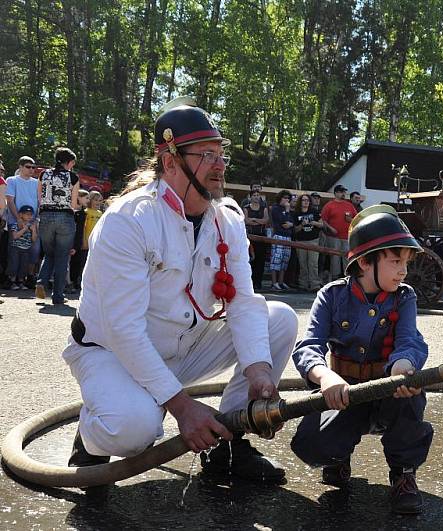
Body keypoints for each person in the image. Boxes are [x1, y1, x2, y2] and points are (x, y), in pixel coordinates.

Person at [61, 97, 298, 485]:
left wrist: (258, 371)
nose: (221, 165)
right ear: (170, 161)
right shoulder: (129, 220)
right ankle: (92, 437)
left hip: (184, 347)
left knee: (279, 320)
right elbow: (123, 330)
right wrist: (182, 408)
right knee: (133, 429)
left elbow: (241, 301)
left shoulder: (228, 219)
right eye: (208, 154)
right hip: (112, 353)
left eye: (222, 154)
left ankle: (228, 443)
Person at [291, 205, 431, 515]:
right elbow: (308, 346)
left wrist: (403, 367)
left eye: (406, 262)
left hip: (386, 392)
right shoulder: (332, 295)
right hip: (344, 393)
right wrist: (325, 377)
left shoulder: (404, 297)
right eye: (395, 261)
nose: (403, 271)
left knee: (409, 395)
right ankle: (338, 457)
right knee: (313, 444)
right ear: (365, 262)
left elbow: (409, 340)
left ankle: (403, 474)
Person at [35, 147, 80, 304]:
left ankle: (41, 282)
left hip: (45, 216)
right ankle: (58, 295)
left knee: (49, 253)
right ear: (68, 162)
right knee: (62, 256)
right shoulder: (73, 177)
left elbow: (39, 196)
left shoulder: (43, 174)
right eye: (72, 163)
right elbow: (73, 204)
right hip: (65, 217)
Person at [5, 156, 40, 285]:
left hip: (33, 221)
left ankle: (28, 277)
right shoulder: (12, 180)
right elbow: (10, 200)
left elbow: (39, 201)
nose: (31, 169)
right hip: (16, 221)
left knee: (34, 250)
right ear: (20, 167)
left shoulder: (37, 182)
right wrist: (18, 219)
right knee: (14, 252)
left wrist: (36, 220)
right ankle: (11, 279)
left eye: (33, 167)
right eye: (28, 167)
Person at [321, 184, 357, 280]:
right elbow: (323, 220)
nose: (343, 194)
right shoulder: (329, 205)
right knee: (335, 258)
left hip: (347, 236)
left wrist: (351, 219)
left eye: (344, 192)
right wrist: (330, 228)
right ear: (336, 193)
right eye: (341, 192)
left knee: (347, 257)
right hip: (333, 237)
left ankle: (348, 278)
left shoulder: (349, 205)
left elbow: (356, 218)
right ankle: (335, 278)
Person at [293, 193, 323, 291]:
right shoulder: (296, 213)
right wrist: (302, 225)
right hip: (300, 241)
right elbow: (295, 230)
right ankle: (303, 285)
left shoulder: (315, 212)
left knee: (313, 264)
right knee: (302, 264)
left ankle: (315, 285)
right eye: (303, 200)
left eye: (307, 200)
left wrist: (314, 223)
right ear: (300, 202)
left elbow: (321, 225)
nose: (305, 202)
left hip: (313, 240)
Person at [7, 205, 37, 290]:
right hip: (15, 248)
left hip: (26, 249)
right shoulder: (16, 224)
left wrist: (34, 230)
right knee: (14, 265)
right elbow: (15, 236)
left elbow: (34, 240)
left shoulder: (31, 226)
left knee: (23, 266)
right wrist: (24, 229)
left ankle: (21, 282)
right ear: (20, 215)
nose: (29, 216)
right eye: (26, 214)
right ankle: (12, 282)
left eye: (31, 214)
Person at [244, 192, 269, 290]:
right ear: (250, 197)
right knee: (250, 260)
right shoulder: (246, 208)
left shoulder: (264, 208)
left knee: (260, 260)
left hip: (261, 236)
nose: (256, 197)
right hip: (250, 237)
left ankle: (258, 283)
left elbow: (265, 220)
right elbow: (246, 221)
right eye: (254, 195)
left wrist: (254, 220)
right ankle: (248, 283)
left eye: (258, 195)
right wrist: (259, 221)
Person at [67, 189, 90, 293]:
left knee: (77, 263)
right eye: (86, 197)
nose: (88, 200)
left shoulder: (83, 212)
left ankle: (74, 282)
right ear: (78, 197)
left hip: (79, 241)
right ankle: (68, 283)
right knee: (69, 263)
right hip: (71, 240)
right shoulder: (72, 212)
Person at [269, 189, 293, 291]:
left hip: (288, 237)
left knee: (284, 261)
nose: (286, 200)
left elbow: (291, 223)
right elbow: (282, 221)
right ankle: (274, 283)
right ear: (280, 198)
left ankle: (281, 282)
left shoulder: (289, 210)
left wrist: (290, 223)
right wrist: (286, 212)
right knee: (276, 260)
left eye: (288, 198)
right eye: (285, 198)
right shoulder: (275, 208)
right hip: (278, 236)